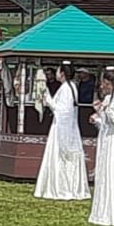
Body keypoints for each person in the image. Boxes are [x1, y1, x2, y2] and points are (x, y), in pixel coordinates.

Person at [36, 63, 91, 201]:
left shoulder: (67, 88)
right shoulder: (71, 87)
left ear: (62, 74)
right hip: (68, 127)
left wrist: (47, 98)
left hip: (62, 128)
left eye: (58, 71)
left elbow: (62, 110)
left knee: (61, 156)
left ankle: (62, 188)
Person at [89, 70, 114, 226]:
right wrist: (97, 119)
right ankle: (102, 210)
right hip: (106, 140)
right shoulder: (107, 98)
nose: (102, 86)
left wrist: (103, 110)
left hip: (113, 141)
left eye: (105, 83)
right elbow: (105, 123)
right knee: (104, 172)